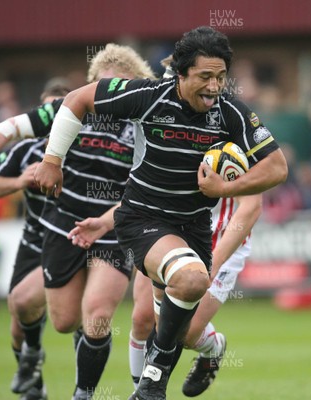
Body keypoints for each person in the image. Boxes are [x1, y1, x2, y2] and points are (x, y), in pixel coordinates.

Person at [34, 26, 287, 400]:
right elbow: (77, 99)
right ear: (181, 75)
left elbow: (277, 168)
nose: (215, 87)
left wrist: (225, 189)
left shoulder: (231, 113)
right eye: (204, 77)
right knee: (185, 283)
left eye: (220, 77)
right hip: (142, 220)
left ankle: (163, 378)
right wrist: (52, 160)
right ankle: (149, 386)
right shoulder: (147, 96)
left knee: (170, 319)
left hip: (194, 229)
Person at [0, 44, 157, 400]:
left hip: (111, 229)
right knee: (63, 321)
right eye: (106, 85)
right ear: (93, 85)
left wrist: (109, 220)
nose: (114, 94)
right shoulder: (70, 107)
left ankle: (83, 394)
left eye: (123, 86)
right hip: (63, 226)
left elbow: (148, 187)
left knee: (96, 316)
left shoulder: (143, 124)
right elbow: (12, 126)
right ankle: (36, 358)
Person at [69, 193, 262, 396]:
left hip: (222, 245)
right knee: (142, 318)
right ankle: (142, 393)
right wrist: (104, 222)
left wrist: (216, 261)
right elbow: (144, 189)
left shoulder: (240, 160)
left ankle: (213, 347)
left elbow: (252, 205)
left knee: (184, 333)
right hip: (168, 233)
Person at [0, 84, 70, 400]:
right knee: (18, 320)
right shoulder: (25, 150)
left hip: (75, 244)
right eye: (46, 114)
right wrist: (20, 180)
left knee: (80, 320)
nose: (52, 122)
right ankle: (35, 385)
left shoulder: (87, 151)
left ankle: (84, 389)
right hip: (33, 244)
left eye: (59, 112)